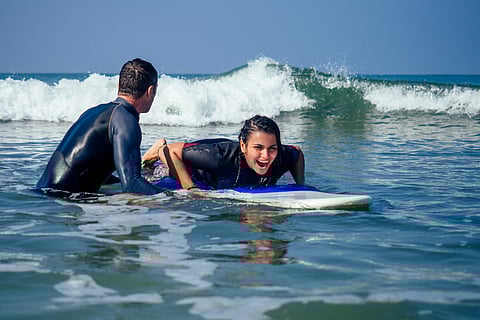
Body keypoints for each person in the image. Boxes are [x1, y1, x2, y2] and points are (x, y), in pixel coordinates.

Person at [36, 58, 163, 195]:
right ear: (150, 91)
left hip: (43, 195)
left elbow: (91, 168)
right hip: (62, 202)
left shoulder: (94, 112)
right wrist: (174, 198)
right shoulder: (126, 121)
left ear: (119, 86)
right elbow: (132, 185)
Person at [142, 115, 305, 190]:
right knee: (156, 171)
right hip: (197, 160)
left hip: (220, 149)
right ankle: (152, 152)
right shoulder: (220, 158)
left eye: (272, 148)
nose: (266, 156)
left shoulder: (281, 156)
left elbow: (297, 153)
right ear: (243, 146)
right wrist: (190, 189)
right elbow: (169, 151)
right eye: (258, 148)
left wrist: (300, 185)